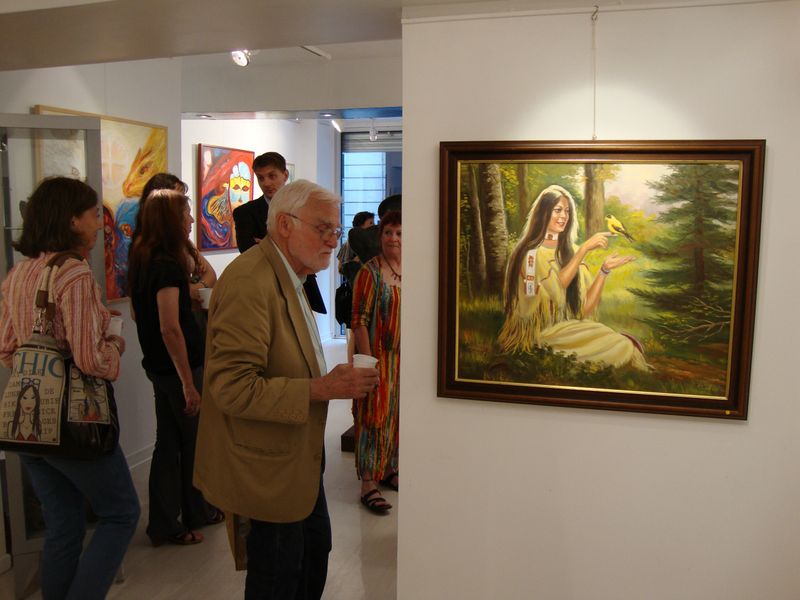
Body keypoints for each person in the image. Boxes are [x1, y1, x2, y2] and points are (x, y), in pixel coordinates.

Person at [194, 179, 379, 600]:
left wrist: (329, 382)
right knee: (280, 575)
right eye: (323, 229)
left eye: (335, 230)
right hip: (267, 468)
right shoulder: (250, 282)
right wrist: (321, 388)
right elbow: (231, 388)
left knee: (311, 558)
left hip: (296, 459)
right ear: (284, 225)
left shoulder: (292, 275)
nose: (333, 240)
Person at [0, 177, 140, 600]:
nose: (99, 223)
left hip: (28, 426)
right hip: (75, 424)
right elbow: (90, 360)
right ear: (72, 220)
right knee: (121, 513)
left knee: (63, 525)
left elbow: (7, 348)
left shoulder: (18, 273)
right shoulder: (74, 273)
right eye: (93, 214)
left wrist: (41, 372)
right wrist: (114, 344)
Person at [128, 189, 222, 547]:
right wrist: (187, 383)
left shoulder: (143, 257)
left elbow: (144, 315)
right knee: (194, 442)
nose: (192, 220)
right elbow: (170, 328)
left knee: (168, 443)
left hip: (158, 367)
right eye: (186, 214)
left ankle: (168, 521)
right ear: (171, 220)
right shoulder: (166, 265)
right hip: (177, 369)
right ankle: (196, 511)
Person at [498, 184, 648, 370]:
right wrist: (584, 249)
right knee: (619, 345)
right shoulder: (530, 255)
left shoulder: (572, 252)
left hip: (568, 329)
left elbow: (583, 310)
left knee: (614, 340)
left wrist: (604, 271)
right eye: (558, 210)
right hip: (539, 334)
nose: (564, 216)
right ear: (543, 213)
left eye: (567, 211)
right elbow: (555, 291)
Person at [350, 210, 402, 513]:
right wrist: (369, 363)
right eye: (388, 233)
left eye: (399, 233)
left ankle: (389, 468)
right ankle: (368, 483)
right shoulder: (369, 273)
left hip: (404, 361)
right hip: (378, 358)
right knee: (374, 416)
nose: (394, 239)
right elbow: (359, 322)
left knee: (397, 416)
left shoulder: (413, 270)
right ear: (380, 236)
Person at [232, 151, 326, 314]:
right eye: (261, 178)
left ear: (285, 175)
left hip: (304, 285)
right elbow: (247, 249)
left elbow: (315, 245)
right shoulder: (245, 212)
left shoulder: (305, 209)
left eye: (271, 176)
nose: (266, 183)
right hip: (266, 286)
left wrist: (267, 244)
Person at [337, 210, 374, 277]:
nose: (374, 226)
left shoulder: (372, 243)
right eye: (371, 223)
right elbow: (340, 268)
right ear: (360, 226)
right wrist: (354, 262)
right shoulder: (348, 245)